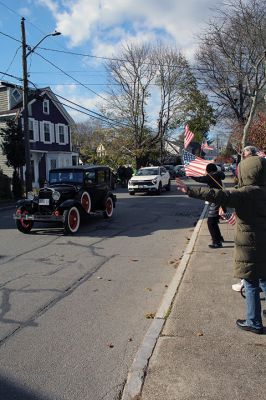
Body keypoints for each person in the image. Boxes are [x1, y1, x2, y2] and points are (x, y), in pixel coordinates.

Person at [176, 151, 266, 334]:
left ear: (247, 172)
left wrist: (190, 190)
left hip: (250, 245)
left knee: (250, 283)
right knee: (265, 279)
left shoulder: (244, 194)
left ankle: (254, 322)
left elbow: (218, 195)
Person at [189, 163, 225, 248]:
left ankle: (217, 242)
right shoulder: (217, 174)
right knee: (214, 220)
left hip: (216, 198)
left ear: (208, 169)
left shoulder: (211, 176)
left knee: (211, 222)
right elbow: (222, 175)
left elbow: (200, 179)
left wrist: (191, 175)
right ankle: (219, 238)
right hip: (220, 197)